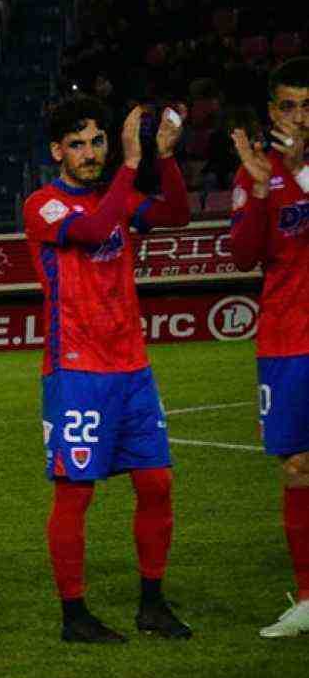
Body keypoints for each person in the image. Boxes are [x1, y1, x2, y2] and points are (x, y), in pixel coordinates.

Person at [21, 96, 193, 643]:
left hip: (131, 366)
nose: (90, 153)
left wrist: (162, 160)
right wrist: (127, 161)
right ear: (57, 152)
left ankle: (152, 603)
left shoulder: (117, 195)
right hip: (76, 370)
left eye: (98, 142)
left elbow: (174, 215)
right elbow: (95, 230)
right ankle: (75, 615)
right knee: (76, 492)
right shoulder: (43, 205)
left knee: (156, 482)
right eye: (78, 144)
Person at [227, 56, 309, 638]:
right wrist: (259, 189)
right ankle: (308, 597)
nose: (299, 116)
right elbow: (242, 255)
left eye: (308, 105)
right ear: (270, 112)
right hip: (285, 338)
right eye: (288, 105)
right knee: (298, 467)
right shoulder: (257, 171)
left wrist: (302, 174)